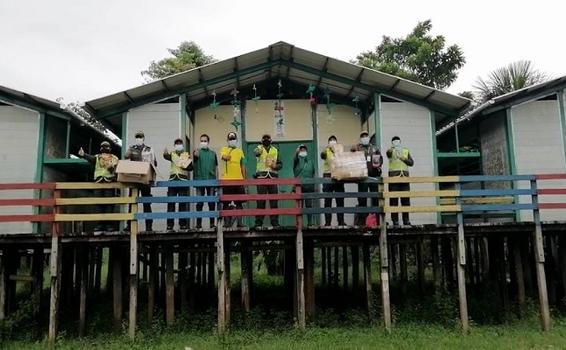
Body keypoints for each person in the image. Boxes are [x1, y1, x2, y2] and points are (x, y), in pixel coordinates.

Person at [78, 141, 119, 232]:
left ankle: (109, 224)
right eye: (103, 147)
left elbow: (117, 169)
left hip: (110, 182)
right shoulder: (97, 157)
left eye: (106, 147)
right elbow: (90, 158)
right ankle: (100, 224)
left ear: (110, 149)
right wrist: (83, 154)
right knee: (99, 204)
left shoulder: (114, 158)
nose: (105, 149)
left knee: (109, 204)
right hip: (99, 182)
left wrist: (112, 167)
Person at [124, 130, 156, 232]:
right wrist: (128, 152)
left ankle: (149, 226)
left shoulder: (149, 149)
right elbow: (126, 157)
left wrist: (151, 158)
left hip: (145, 179)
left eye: (140, 137)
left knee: (147, 203)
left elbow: (155, 163)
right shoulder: (132, 148)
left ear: (143, 138)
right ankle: (129, 226)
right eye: (137, 137)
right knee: (132, 203)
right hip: (134, 179)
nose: (139, 138)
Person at [351, 131, 383, 227]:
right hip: (362, 178)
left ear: (369, 137)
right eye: (362, 136)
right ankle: (362, 222)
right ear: (361, 138)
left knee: (375, 199)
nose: (364, 137)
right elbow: (351, 157)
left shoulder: (374, 148)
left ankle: (377, 221)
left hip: (373, 177)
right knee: (362, 200)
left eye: (366, 136)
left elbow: (381, 159)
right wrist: (352, 150)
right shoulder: (358, 148)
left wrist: (379, 163)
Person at [163, 138, 193, 231]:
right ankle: (170, 225)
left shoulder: (186, 155)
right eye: (177, 143)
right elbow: (166, 156)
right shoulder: (172, 154)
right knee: (171, 203)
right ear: (174, 145)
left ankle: (182, 224)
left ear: (182, 145)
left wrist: (186, 165)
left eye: (180, 143)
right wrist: (164, 153)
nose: (178, 145)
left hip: (183, 180)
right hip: (172, 180)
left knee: (182, 203)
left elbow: (191, 168)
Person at [254, 134, 282, 230]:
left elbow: (280, 164)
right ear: (261, 140)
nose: (266, 140)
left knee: (274, 202)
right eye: (264, 138)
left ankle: (275, 223)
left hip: (272, 177)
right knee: (260, 201)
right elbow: (256, 153)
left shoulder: (275, 150)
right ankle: (258, 224)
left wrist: (275, 166)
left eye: (268, 138)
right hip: (261, 177)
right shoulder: (258, 148)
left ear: (271, 140)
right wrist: (260, 149)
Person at [220, 132, 247, 228]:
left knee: (239, 203)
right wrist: (226, 156)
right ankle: (227, 223)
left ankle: (240, 222)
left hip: (238, 180)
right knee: (226, 203)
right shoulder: (224, 149)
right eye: (230, 138)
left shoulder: (240, 151)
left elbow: (243, 165)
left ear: (236, 140)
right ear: (227, 140)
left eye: (233, 138)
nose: (232, 140)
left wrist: (244, 179)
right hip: (227, 181)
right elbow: (223, 156)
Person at [386, 136, 414, 226]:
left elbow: (411, 163)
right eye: (394, 141)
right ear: (392, 143)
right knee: (394, 200)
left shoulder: (405, 150)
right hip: (394, 178)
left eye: (397, 141)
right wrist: (390, 150)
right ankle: (395, 221)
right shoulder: (391, 150)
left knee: (405, 200)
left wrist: (404, 159)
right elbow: (388, 154)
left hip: (404, 177)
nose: (396, 142)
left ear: (400, 141)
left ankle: (406, 220)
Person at [193, 134, 218, 230]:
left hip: (211, 180)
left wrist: (216, 181)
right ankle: (198, 224)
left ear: (208, 142)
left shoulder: (213, 153)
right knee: (199, 203)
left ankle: (212, 224)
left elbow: (216, 168)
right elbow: (192, 163)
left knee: (211, 203)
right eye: (201, 140)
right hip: (199, 180)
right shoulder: (196, 152)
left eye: (205, 140)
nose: (203, 142)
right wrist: (194, 155)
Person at [320, 135, 346, 227]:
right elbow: (322, 156)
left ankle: (341, 221)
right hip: (328, 176)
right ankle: (327, 222)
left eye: (334, 140)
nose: (332, 141)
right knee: (327, 201)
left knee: (340, 200)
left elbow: (344, 160)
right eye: (330, 140)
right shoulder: (326, 151)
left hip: (338, 176)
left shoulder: (340, 150)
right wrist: (326, 148)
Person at [294, 144, 316, 227]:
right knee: (299, 207)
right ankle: (299, 224)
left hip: (309, 187)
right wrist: (296, 153)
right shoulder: (296, 161)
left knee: (309, 206)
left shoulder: (310, 162)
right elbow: (295, 158)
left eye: (304, 150)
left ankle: (310, 223)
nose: (303, 151)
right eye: (301, 150)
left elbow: (313, 173)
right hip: (299, 187)